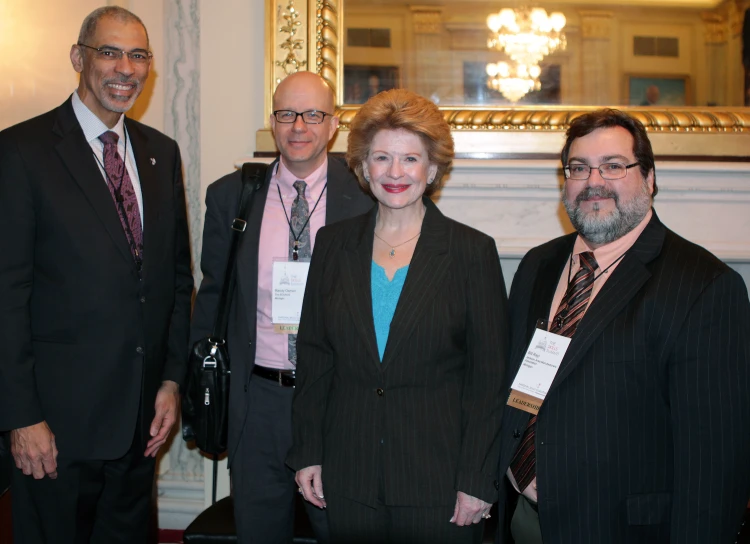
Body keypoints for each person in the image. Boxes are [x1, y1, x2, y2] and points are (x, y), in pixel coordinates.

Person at [496, 108, 750, 543]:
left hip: (623, 529)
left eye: (613, 166)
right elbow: (524, 384)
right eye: (579, 168)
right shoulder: (539, 264)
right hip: (523, 518)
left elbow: (714, 464)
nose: (593, 181)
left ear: (649, 179)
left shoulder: (705, 286)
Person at [0, 6, 193, 543]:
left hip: (138, 427)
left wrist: (172, 380)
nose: (125, 68)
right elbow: (5, 296)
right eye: (109, 52)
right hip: (54, 430)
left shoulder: (161, 153)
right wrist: (21, 417)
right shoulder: (20, 152)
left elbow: (176, 280)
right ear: (78, 57)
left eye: (138, 55)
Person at [288, 89, 509, 544]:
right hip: (348, 478)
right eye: (382, 157)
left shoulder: (471, 252)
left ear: (431, 169)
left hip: (441, 485)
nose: (394, 172)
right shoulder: (332, 245)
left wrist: (477, 477)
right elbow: (314, 359)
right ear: (363, 166)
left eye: (410, 159)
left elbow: (488, 380)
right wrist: (308, 451)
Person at [190, 70, 374, 544]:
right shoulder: (231, 195)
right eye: (287, 114)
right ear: (272, 122)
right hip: (259, 402)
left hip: (339, 401)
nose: (299, 126)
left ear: (334, 125)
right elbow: (213, 295)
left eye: (313, 114)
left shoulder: (369, 197)